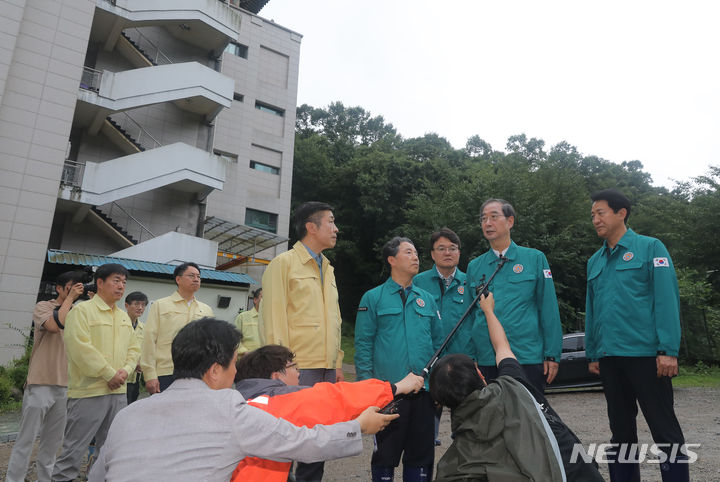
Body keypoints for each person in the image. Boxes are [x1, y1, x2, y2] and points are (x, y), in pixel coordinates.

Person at [88, 318, 398, 482]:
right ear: (213, 370)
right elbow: (304, 442)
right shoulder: (229, 410)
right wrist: (358, 426)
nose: (237, 371)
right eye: (234, 362)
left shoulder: (131, 413)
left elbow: (98, 475)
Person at [430, 292, 603, 482]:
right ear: (480, 375)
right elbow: (502, 346)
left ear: (439, 401)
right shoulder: (513, 385)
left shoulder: (460, 456)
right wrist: (488, 310)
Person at [586, 189, 688, 482]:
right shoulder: (595, 261)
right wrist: (593, 352)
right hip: (610, 358)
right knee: (620, 432)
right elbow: (592, 310)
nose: (595, 219)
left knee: (664, 428)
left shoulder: (650, 248)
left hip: (646, 356)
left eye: (600, 212)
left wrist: (667, 349)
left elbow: (666, 300)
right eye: (592, 215)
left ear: (621, 213)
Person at [231, 345, 425, 482]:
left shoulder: (242, 403)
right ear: (276, 376)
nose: (299, 373)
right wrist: (395, 388)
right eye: (294, 367)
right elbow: (332, 399)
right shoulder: (268, 403)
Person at [261, 201, 343, 481]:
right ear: (311, 226)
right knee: (286, 437)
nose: (336, 228)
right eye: (331, 221)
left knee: (318, 438)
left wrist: (338, 361)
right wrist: (280, 366)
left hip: (325, 368)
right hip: (297, 367)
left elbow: (335, 319)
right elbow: (272, 317)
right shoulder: (283, 264)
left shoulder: (328, 268)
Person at [355, 237, 443, 482]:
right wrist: (367, 389)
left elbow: (438, 345)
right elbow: (363, 345)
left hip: (424, 392)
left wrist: (437, 386)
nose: (416, 257)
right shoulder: (373, 298)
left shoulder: (427, 299)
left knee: (422, 454)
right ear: (392, 260)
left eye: (416, 253)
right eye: (408, 252)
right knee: (385, 453)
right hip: (389, 392)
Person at [51, 264, 141, 482]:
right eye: (116, 280)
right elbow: (80, 349)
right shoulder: (82, 311)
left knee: (109, 451)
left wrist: (125, 371)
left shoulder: (123, 317)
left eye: (124, 282)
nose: (121, 286)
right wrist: (109, 373)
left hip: (118, 393)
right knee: (73, 451)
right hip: (88, 392)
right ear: (100, 283)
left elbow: (134, 349)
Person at [466, 198, 562, 393]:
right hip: (487, 359)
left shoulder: (535, 258)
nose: (487, 223)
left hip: (526, 356)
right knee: (492, 420)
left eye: (494, 217)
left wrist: (552, 354)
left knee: (530, 418)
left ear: (510, 221)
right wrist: (471, 358)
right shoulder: (474, 267)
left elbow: (549, 309)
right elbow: (469, 317)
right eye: (483, 219)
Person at [5, 271, 85, 482]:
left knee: (52, 443)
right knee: (26, 440)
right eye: (71, 286)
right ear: (59, 288)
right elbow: (53, 326)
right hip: (40, 383)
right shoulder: (44, 307)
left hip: (66, 385)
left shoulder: (79, 312)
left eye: (79, 286)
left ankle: (45, 478)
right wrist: (69, 300)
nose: (76, 290)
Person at [412, 227, 468, 445]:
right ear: (432, 254)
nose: (448, 253)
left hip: (461, 362)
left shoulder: (470, 282)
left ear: (459, 253)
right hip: (429, 362)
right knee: (426, 428)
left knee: (465, 424)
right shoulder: (417, 282)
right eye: (441, 248)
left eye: (452, 248)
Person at [140, 262, 213, 394]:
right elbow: (149, 340)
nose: (196, 279)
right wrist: (150, 374)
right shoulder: (161, 305)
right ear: (178, 279)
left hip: (198, 373)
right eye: (191, 276)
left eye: (198, 276)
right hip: (167, 371)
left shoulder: (206, 310)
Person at [123, 291, 147, 404]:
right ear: (126, 305)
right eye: (136, 304)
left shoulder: (144, 328)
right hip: (120, 377)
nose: (140, 308)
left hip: (135, 379)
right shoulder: (119, 324)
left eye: (143, 305)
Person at [234, 287, 262, 354]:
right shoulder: (242, 317)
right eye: (263, 297)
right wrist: (244, 352)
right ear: (255, 300)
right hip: (246, 360)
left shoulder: (271, 320)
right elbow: (234, 338)